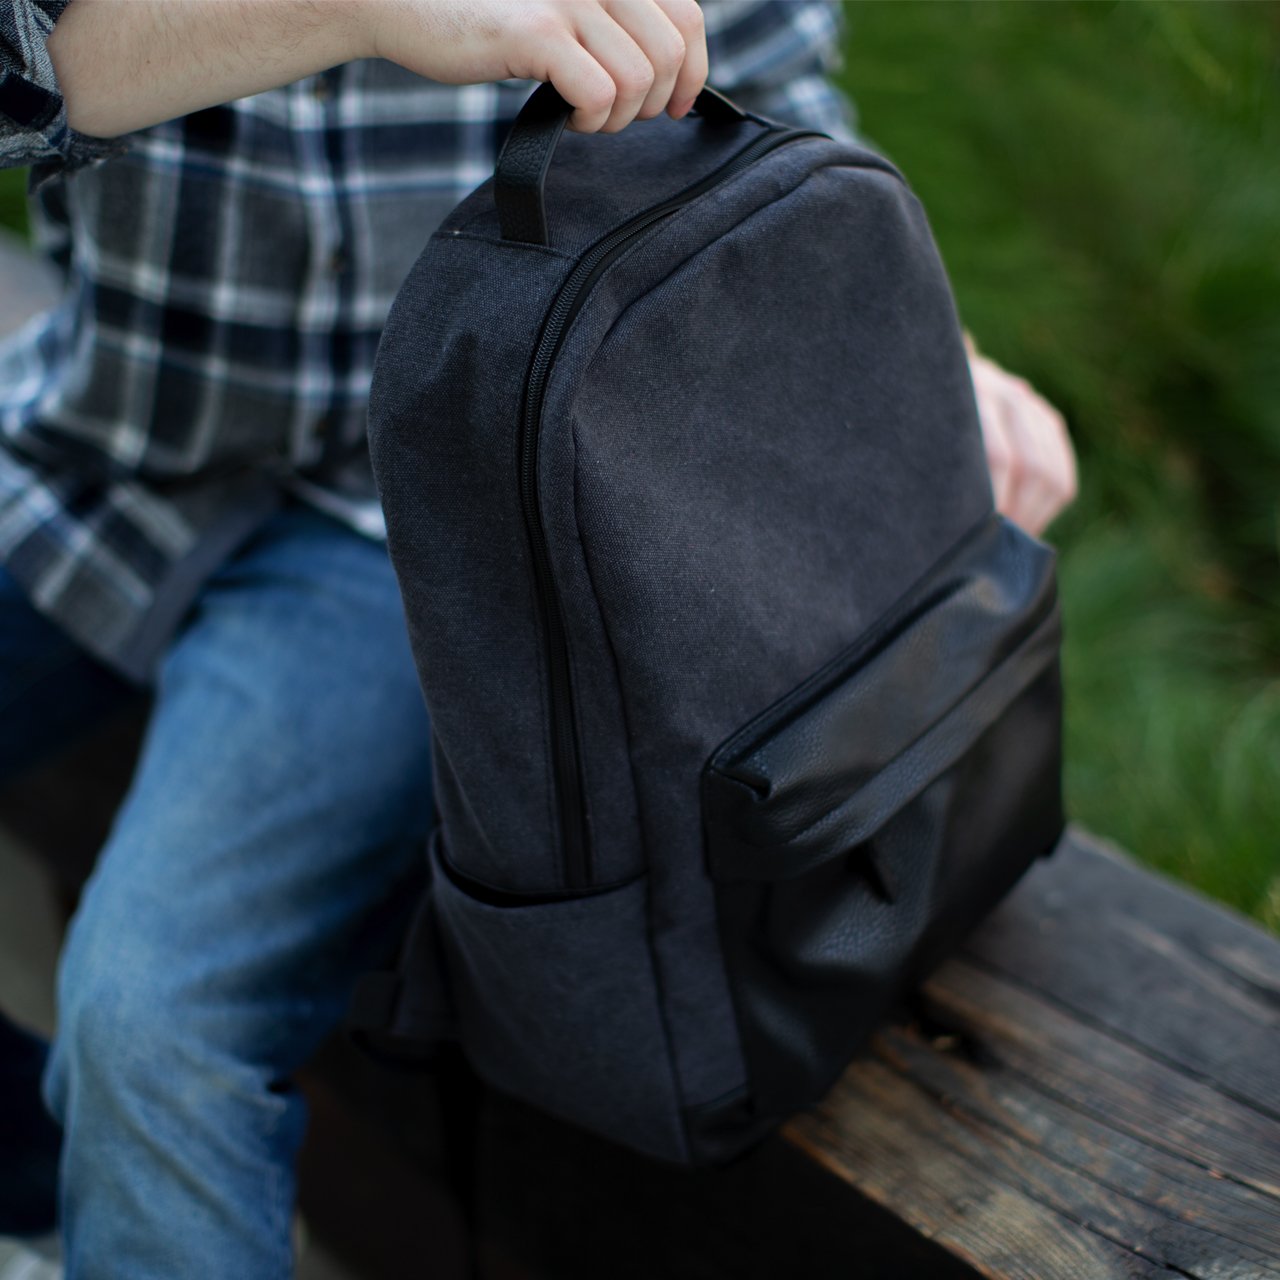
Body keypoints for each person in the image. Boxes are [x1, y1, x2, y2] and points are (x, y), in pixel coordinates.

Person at [0, 2, 1077, 1275]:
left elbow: (765, 95)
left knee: (151, 1027)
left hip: (429, 537)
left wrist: (924, 348)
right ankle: (61, 1190)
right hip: (109, 445)